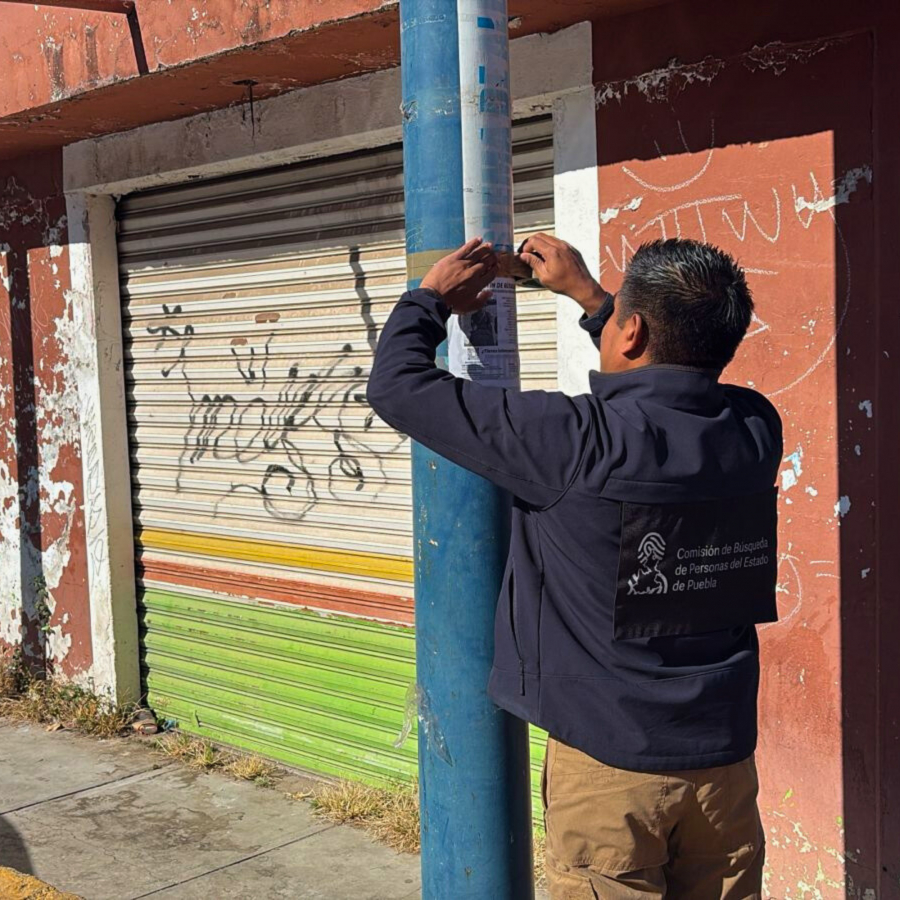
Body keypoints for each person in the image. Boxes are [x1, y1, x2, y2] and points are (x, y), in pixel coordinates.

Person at [367, 233, 783, 899]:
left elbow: (398, 387)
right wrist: (592, 300)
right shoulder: (756, 429)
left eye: (619, 316)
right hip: (724, 763)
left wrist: (429, 300)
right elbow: (659, 381)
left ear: (634, 330)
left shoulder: (571, 442)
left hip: (610, 771)